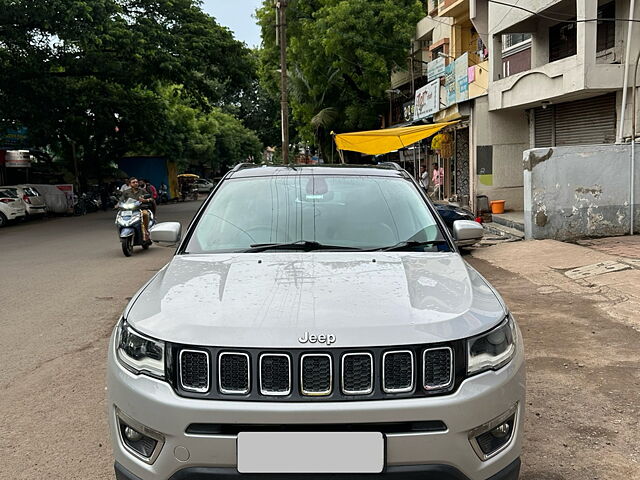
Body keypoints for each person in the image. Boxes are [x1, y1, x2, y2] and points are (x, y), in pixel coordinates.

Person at [120, 177, 152, 241]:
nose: (135, 183)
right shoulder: (126, 192)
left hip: (140, 208)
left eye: (136, 182)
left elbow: (150, 197)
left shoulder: (142, 190)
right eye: (133, 182)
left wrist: (145, 200)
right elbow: (121, 200)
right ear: (130, 184)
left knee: (145, 214)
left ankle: (146, 232)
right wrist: (118, 204)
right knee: (120, 216)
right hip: (129, 210)